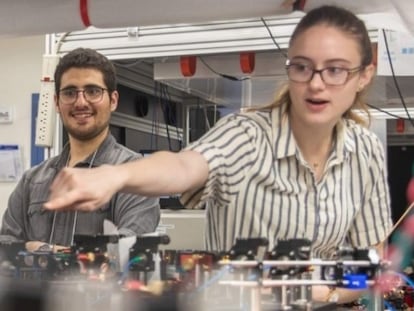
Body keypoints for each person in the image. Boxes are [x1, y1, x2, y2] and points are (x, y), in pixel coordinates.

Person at [44, 6, 392, 303]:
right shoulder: (248, 136)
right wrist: (117, 175)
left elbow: (370, 261)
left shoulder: (366, 151)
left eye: (335, 70)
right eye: (302, 67)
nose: (316, 84)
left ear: (364, 75)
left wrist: (328, 291)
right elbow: (184, 165)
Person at [0, 47, 160, 251]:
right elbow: (6, 251)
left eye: (93, 91)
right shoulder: (32, 181)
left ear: (113, 100)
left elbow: (127, 252)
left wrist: (42, 249)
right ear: (57, 102)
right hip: (33, 285)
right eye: (69, 92)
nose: (81, 102)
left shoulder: (136, 175)